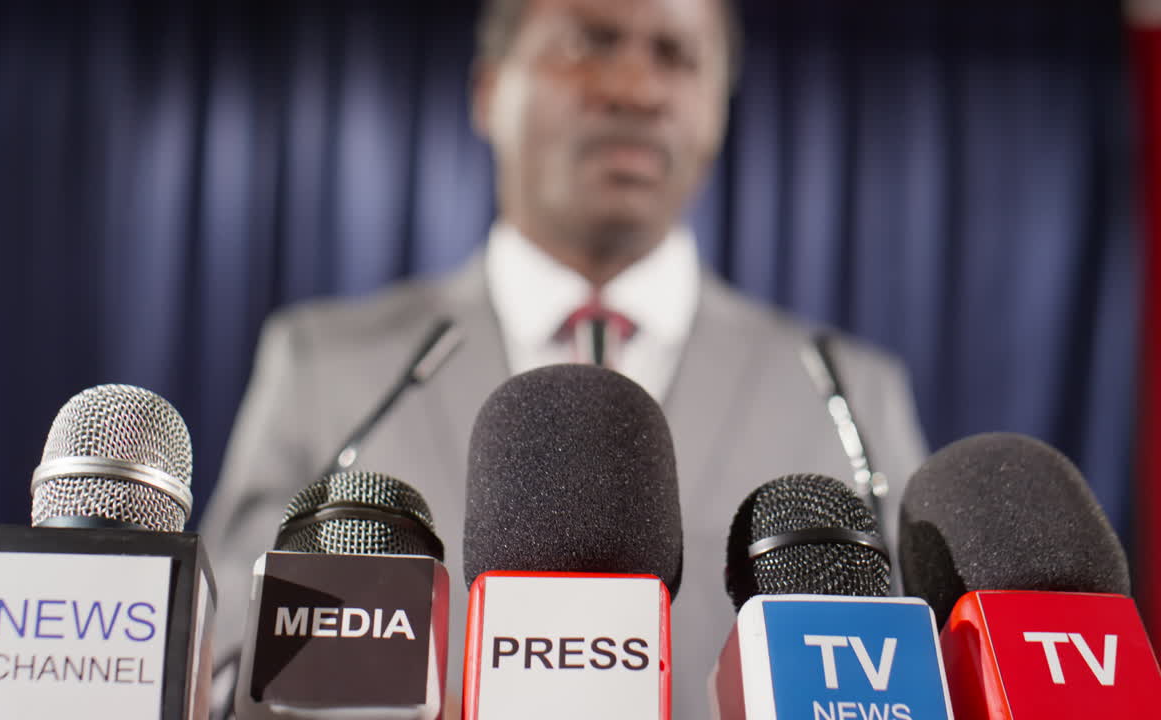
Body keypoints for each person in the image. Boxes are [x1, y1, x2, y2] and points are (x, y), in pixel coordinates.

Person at [200, 0, 927, 716]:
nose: (636, 91)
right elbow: (223, 659)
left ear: (717, 106)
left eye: (676, 56)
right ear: (488, 90)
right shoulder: (326, 366)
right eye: (590, 44)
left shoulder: (848, 391)